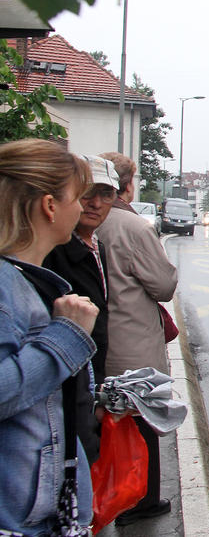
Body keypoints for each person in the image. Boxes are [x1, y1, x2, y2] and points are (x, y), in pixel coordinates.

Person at [0, 139, 99, 535]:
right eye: (77, 197)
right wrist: (68, 337)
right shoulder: (5, 285)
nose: (82, 208)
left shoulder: (26, 279)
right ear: (49, 206)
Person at [96, 151, 178, 526]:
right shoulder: (133, 227)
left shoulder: (84, 222)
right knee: (142, 422)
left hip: (97, 343)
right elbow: (163, 286)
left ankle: (105, 495)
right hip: (132, 343)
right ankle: (141, 501)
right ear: (127, 186)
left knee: (102, 421)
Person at [43, 155, 119, 463]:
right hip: (63, 400)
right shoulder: (53, 251)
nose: (95, 203)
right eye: (87, 193)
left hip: (88, 387)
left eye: (106, 194)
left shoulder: (97, 246)